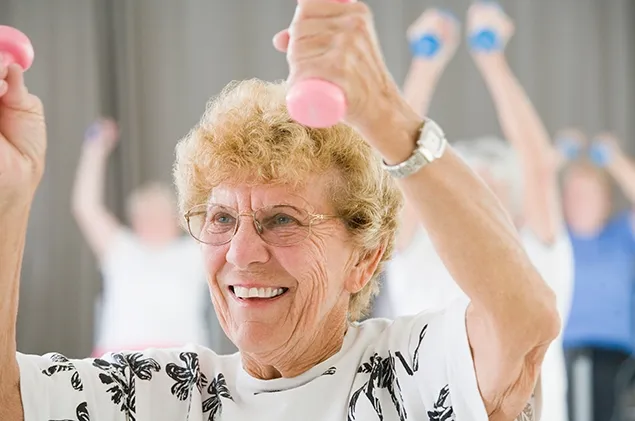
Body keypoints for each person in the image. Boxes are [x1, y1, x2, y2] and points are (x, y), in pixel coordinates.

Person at [1, 2, 560, 420]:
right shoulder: (164, 392)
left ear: (364, 260)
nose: (242, 254)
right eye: (221, 219)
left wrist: (383, 111)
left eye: (283, 220)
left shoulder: (408, 370)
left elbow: (523, 321)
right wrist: (9, 195)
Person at [386, 5, 574, 421]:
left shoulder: (537, 253)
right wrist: (425, 64)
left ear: (514, 201)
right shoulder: (420, 248)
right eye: (471, 178)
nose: (480, 188)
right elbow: (397, 162)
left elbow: (538, 166)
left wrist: (493, 61)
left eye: (493, 183)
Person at [71, 119, 216, 355]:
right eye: (144, 215)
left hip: (181, 360)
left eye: (158, 214)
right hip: (118, 358)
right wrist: (95, 150)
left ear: (176, 220)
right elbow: (86, 206)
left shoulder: (194, 251)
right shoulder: (121, 248)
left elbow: (217, 205)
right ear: (134, 221)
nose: (152, 221)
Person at [556, 130, 635, 421]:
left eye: (588, 193)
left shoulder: (621, 235)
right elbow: (523, 197)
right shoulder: (554, 238)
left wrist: (614, 159)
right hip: (557, 353)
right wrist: (557, 158)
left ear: (605, 200)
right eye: (573, 193)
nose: (580, 200)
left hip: (614, 356)